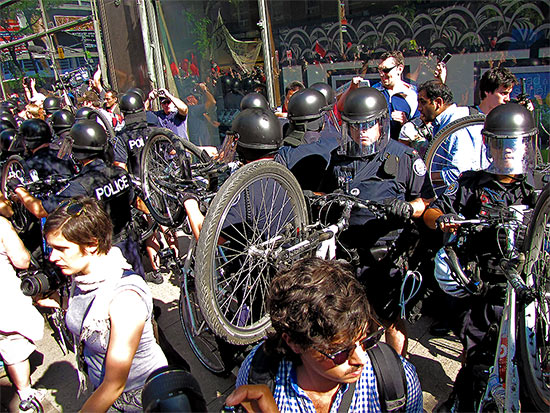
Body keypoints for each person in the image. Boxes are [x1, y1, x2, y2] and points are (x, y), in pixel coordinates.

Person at [423, 103, 538, 411]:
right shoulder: (470, 184)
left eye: (515, 144)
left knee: (529, 361)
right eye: (501, 144)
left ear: (528, 144)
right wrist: (443, 220)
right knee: (477, 358)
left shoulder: (538, 189)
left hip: (529, 290)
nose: (508, 151)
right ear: (489, 145)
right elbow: (434, 209)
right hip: (482, 288)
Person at [318, 87, 429, 356]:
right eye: (355, 126)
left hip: (386, 252)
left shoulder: (405, 157)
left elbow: (426, 201)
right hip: (349, 251)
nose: (362, 132)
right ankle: (362, 374)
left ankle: (399, 371)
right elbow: (325, 194)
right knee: (352, 320)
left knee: (390, 318)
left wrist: (407, 208)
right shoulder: (338, 158)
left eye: (368, 125)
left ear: (381, 123)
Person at [236, 257, 423, 412]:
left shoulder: (397, 380)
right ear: (294, 342)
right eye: (339, 352)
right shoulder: (258, 373)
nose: (361, 359)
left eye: (367, 340)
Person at [43, 197, 168, 411]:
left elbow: (114, 384)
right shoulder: (83, 278)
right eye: (51, 248)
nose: (52, 257)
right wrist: (60, 301)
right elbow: (92, 313)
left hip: (140, 400)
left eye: (61, 248)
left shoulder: (125, 299)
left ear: (92, 245)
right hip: (103, 389)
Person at [11, 120, 148, 281]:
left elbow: (39, 210)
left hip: (103, 251)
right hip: (129, 242)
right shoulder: (119, 173)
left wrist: (18, 188)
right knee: (137, 285)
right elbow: (135, 201)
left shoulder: (80, 185)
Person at [0, 216, 45, 410]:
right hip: (4, 301)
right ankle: (25, 393)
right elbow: (22, 260)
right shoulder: (1, 224)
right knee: (13, 347)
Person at [417, 80, 487, 194]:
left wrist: (420, 177)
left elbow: (457, 173)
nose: (419, 108)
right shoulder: (444, 123)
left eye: (423, 102)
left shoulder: (456, 127)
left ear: (438, 103)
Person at [370, 51, 419, 140]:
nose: (381, 74)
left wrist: (406, 123)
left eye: (386, 70)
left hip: (402, 147)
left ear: (399, 69)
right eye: (379, 70)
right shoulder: (373, 91)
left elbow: (420, 125)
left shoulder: (413, 93)